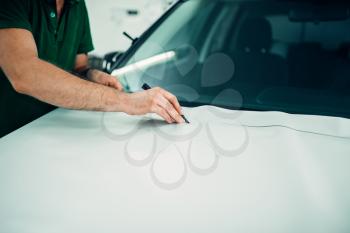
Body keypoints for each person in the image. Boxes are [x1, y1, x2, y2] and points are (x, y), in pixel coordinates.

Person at [0, 0, 184, 138]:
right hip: (9, 137)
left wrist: (90, 74)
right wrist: (127, 101)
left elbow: (78, 66)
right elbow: (24, 74)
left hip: (58, 129)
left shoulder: (77, 5)